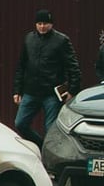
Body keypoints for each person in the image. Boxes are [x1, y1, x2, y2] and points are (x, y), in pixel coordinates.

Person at [12, 8, 81, 147]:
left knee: (51, 128)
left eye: (45, 23)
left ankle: (51, 158)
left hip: (51, 93)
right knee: (20, 123)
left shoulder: (61, 40)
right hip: (31, 91)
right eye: (39, 23)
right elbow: (21, 66)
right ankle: (42, 146)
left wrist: (72, 90)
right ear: (35, 24)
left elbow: (73, 67)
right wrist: (17, 90)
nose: (42, 26)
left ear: (52, 24)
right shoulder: (29, 39)